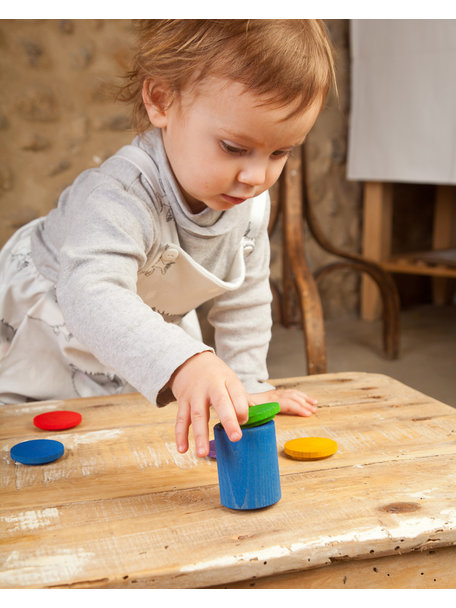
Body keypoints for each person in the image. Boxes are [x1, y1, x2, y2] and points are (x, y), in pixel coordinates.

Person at [0, 19, 336, 457]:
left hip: (146, 314)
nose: (256, 176)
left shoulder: (247, 201)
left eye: (280, 152)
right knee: (29, 433)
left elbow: (245, 299)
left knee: (123, 428)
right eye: (234, 148)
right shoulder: (118, 195)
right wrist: (183, 360)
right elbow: (90, 294)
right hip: (57, 309)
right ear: (162, 101)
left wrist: (248, 386)